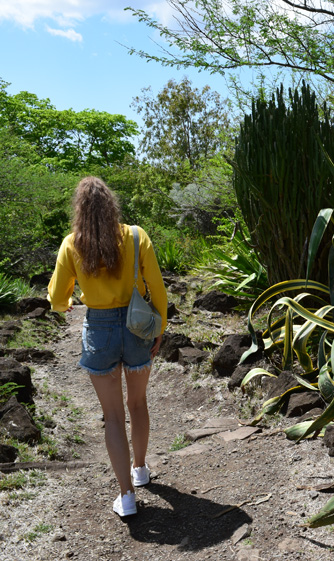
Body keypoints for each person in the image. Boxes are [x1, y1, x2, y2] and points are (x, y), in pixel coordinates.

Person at [48, 176, 167, 517]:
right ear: (112, 204)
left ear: (80, 210)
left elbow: (57, 298)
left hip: (98, 329)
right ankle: (141, 470)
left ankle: (126, 497)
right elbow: (157, 289)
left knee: (112, 416)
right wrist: (161, 328)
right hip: (136, 326)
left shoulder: (72, 243)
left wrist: (67, 303)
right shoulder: (135, 235)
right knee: (138, 403)